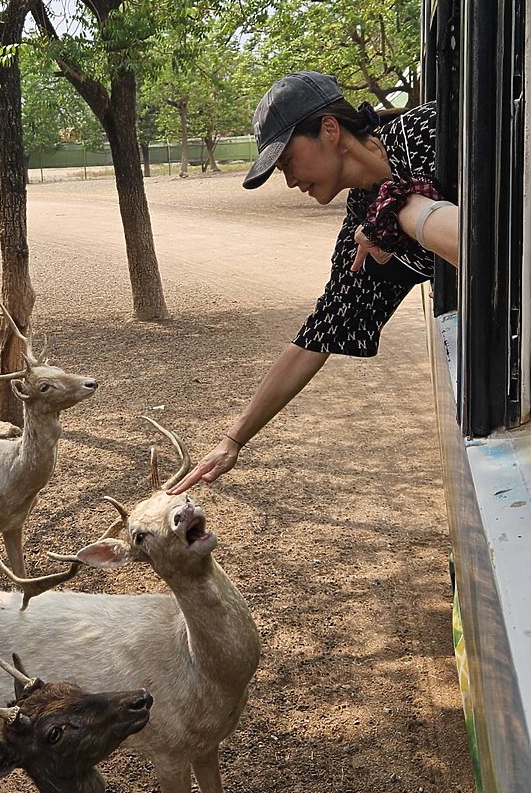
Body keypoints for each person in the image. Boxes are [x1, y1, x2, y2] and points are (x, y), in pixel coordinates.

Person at [168, 71, 458, 496]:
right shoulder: (360, 227)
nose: (289, 181)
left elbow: (496, 242)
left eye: (287, 162)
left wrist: (396, 212)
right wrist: (233, 440)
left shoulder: (433, 131)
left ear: (329, 129)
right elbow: (316, 336)